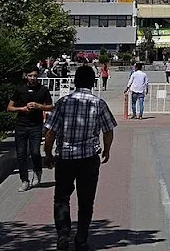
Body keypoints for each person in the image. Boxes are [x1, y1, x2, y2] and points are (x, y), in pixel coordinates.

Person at [43, 65, 117, 251]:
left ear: (75, 82)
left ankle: (63, 235)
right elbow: (108, 130)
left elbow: (50, 132)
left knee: (61, 197)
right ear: (93, 83)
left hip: (65, 159)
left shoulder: (62, 102)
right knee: (86, 201)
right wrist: (107, 150)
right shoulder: (98, 103)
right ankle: (81, 240)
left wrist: (48, 153)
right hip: (88, 159)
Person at [7, 67, 53, 192]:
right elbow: (9, 107)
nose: (33, 78)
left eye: (35, 76)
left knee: (35, 152)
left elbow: (50, 107)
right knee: (21, 154)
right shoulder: (20, 90)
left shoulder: (43, 90)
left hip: (36, 126)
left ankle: (37, 171)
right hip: (21, 125)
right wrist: (22, 109)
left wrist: (39, 106)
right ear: (25, 76)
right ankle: (24, 181)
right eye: (30, 76)